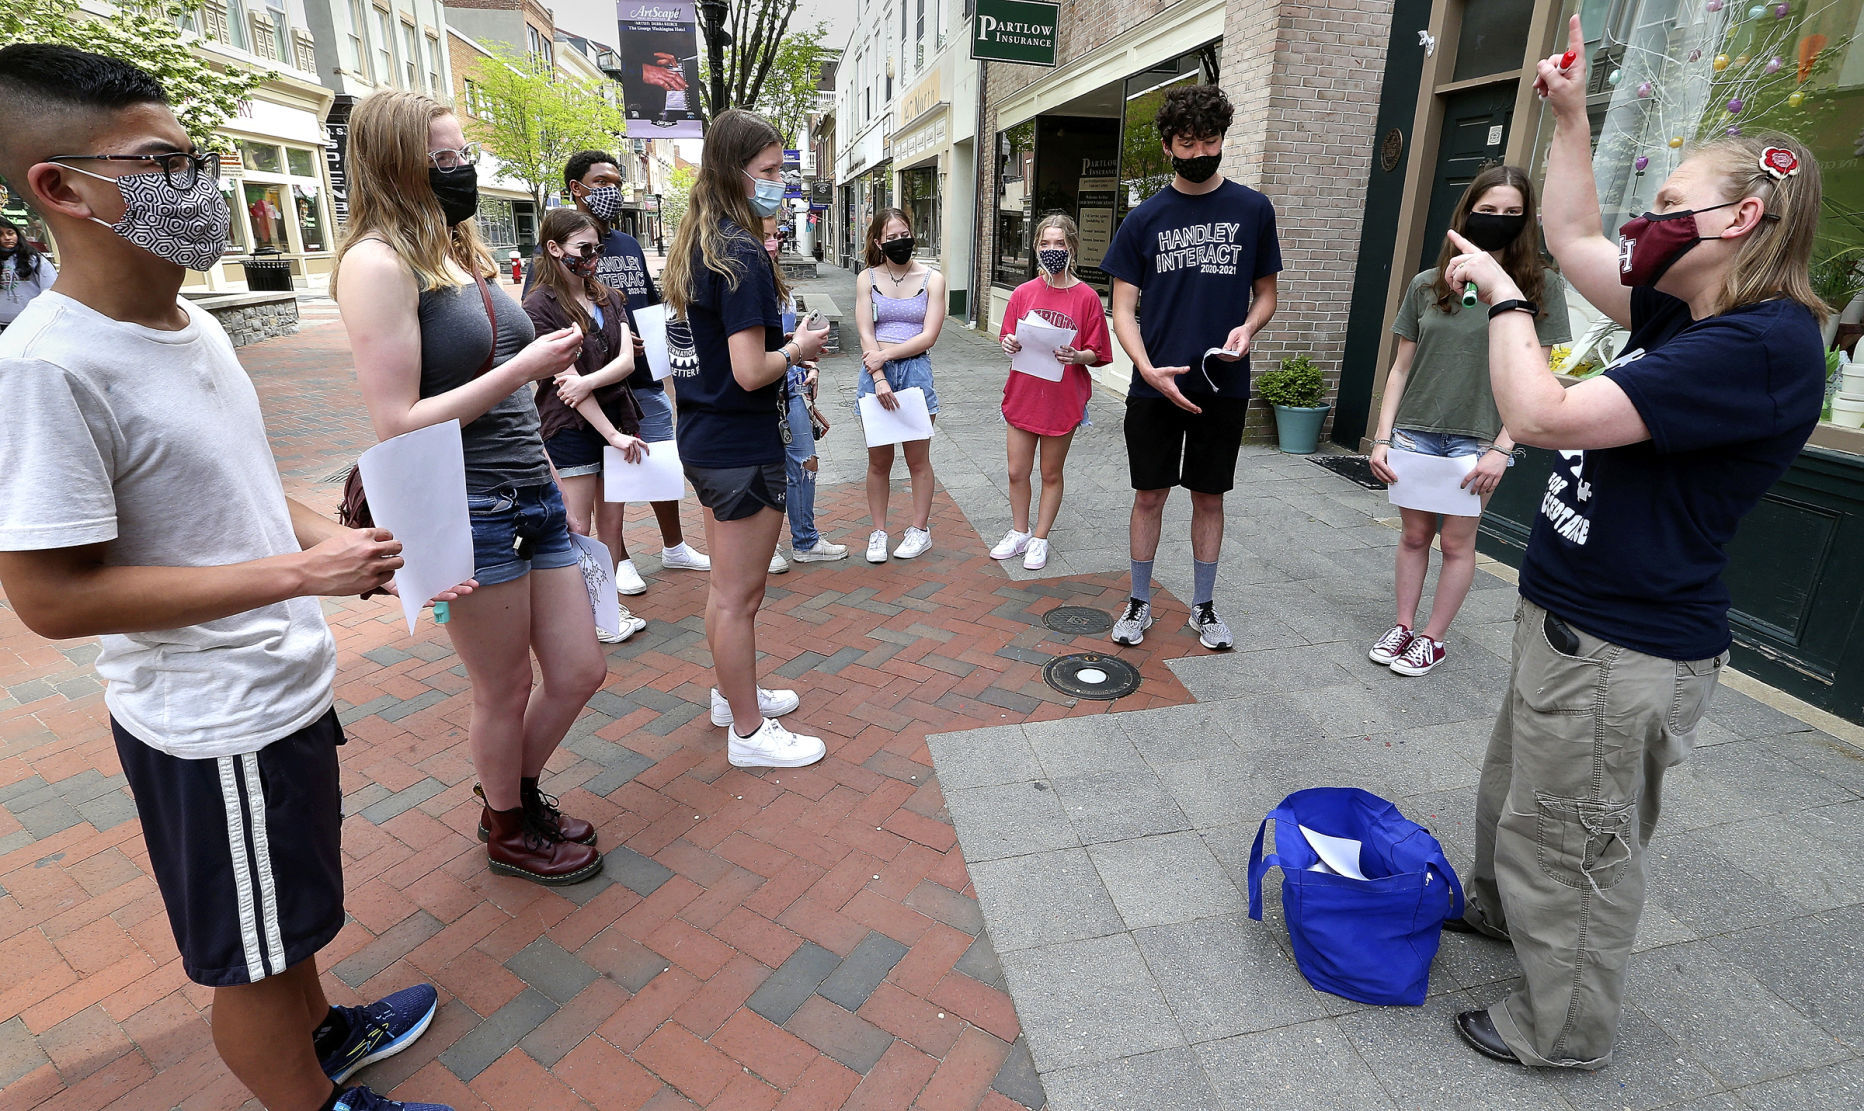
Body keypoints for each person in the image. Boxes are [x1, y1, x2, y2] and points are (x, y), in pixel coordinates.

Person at [0, 44, 451, 1111]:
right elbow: (51, 598)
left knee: (279, 915)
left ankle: (321, 1031)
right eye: (165, 165)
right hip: (214, 723)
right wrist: (303, 566)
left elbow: (239, 495)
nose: (200, 189)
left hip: (276, 686)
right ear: (60, 188)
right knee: (247, 951)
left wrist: (353, 557)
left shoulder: (190, 322)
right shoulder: (47, 368)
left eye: (196, 160)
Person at [1441, 16, 1829, 1071]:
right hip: (1569, 617)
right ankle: (1494, 914)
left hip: (1625, 646)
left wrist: (1505, 295)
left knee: (1573, 842)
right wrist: (1568, 118)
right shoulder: (1688, 312)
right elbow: (1572, 241)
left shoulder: (1759, 345)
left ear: (1740, 217)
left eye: (1668, 207)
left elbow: (1543, 412)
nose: (1645, 225)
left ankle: (1557, 1030)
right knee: (1517, 798)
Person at [334, 90, 606, 886]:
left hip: (531, 494)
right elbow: (397, 419)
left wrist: (547, 467)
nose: (462, 170)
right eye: (444, 159)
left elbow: (509, 399)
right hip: (468, 507)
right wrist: (523, 369)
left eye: (464, 156)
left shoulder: (457, 248)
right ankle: (510, 826)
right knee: (505, 685)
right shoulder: (376, 263)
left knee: (580, 669)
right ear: (396, 164)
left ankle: (507, 797)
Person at [660, 108, 830, 767]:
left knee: (728, 592)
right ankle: (750, 732)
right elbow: (749, 368)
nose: (778, 182)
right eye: (767, 171)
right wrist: (800, 347)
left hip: (707, 439)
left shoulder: (704, 244)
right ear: (734, 173)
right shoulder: (740, 254)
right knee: (738, 595)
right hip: (737, 447)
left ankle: (735, 698)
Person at [1366, 166, 1569, 677]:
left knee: (1457, 543)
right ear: (1467, 213)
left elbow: (1539, 378)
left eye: (1511, 214)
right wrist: (1382, 438)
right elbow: (1400, 368)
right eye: (1488, 210)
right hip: (1415, 432)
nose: (1497, 221)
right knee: (1413, 536)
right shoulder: (1427, 285)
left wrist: (1503, 448)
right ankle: (1404, 626)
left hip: (1478, 440)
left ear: (1525, 222)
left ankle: (1433, 639)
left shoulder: (1540, 287)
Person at [1100, 83, 1281, 651]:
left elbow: (1267, 294)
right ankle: (1139, 602)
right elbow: (1122, 309)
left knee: (1209, 495)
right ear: (1167, 147)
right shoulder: (1143, 219)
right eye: (1187, 142)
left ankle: (1204, 607)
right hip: (1153, 386)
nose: (1200, 152)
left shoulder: (1253, 209)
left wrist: (1249, 329)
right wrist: (1147, 368)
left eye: (1210, 140)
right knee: (1149, 494)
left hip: (1221, 384)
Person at [526, 149, 708, 591]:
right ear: (577, 188)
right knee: (593, 502)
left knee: (656, 466)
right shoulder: (544, 274)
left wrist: (634, 341)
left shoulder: (622, 250)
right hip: (580, 409)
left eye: (616, 181)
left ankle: (674, 546)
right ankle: (617, 564)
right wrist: (601, 357)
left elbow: (642, 305)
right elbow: (550, 351)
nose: (612, 190)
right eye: (602, 181)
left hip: (636, 385)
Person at [522, 206, 651, 643]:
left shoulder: (608, 296)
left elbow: (626, 360)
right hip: (572, 429)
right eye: (584, 248)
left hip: (616, 417)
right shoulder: (538, 305)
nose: (593, 256)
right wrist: (609, 432)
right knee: (577, 526)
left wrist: (589, 382)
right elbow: (564, 387)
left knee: (612, 526)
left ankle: (606, 604)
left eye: (596, 247)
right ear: (555, 249)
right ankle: (582, 615)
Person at [993, 214, 1111, 570]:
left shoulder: (1087, 297)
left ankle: (1040, 538)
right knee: (1017, 470)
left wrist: (1077, 356)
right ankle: (1019, 531)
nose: (1052, 250)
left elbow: (1100, 352)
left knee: (1050, 473)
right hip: (1024, 393)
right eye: (1046, 243)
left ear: (1072, 247)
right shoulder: (1023, 293)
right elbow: (1008, 336)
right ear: (1036, 247)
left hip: (1062, 399)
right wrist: (1008, 342)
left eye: (1060, 243)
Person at [854, 206, 947, 563]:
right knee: (879, 460)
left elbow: (929, 335)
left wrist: (886, 357)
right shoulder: (868, 278)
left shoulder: (932, 280)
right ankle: (879, 532)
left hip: (914, 373)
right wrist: (877, 375)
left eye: (903, 234)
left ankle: (919, 530)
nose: (899, 241)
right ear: (878, 241)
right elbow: (866, 331)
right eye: (891, 237)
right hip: (874, 373)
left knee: (917, 459)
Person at [763, 213, 847, 563]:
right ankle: (763, 549)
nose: (772, 244)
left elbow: (782, 344)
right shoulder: (742, 286)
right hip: (758, 393)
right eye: (763, 236)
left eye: (774, 236)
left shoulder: (778, 286)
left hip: (791, 387)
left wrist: (806, 362)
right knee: (764, 470)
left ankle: (805, 540)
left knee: (804, 464)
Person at [0, 215, 56, 332]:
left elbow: (51, 289)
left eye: (10, 233)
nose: (7, 238)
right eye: (1, 234)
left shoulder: (33, 259)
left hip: (32, 322)